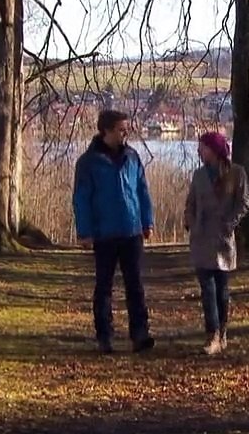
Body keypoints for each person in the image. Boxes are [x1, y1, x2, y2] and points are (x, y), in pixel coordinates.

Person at [73, 109, 156, 354]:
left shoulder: (132, 157)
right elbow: (81, 198)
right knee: (104, 286)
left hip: (131, 230)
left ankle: (140, 334)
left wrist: (147, 221)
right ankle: (105, 335)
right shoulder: (88, 162)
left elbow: (142, 189)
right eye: (121, 129)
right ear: (106, 131)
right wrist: (85, 232)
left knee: (135, 284)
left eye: (126, 128)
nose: (125, 133)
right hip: (104, 232)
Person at [185, 131, 249, 355]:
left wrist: (229, 224)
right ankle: (211, 334)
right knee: (207, 288)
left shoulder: (236, 173)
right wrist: (191, 223)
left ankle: (222, 332)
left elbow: (243, 203)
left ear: (214, 149)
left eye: (203, 147)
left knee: (221, 289)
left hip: (223, 238)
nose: (199, 152)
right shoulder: (199, 175)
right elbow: (191, 202)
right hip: (202, 238)